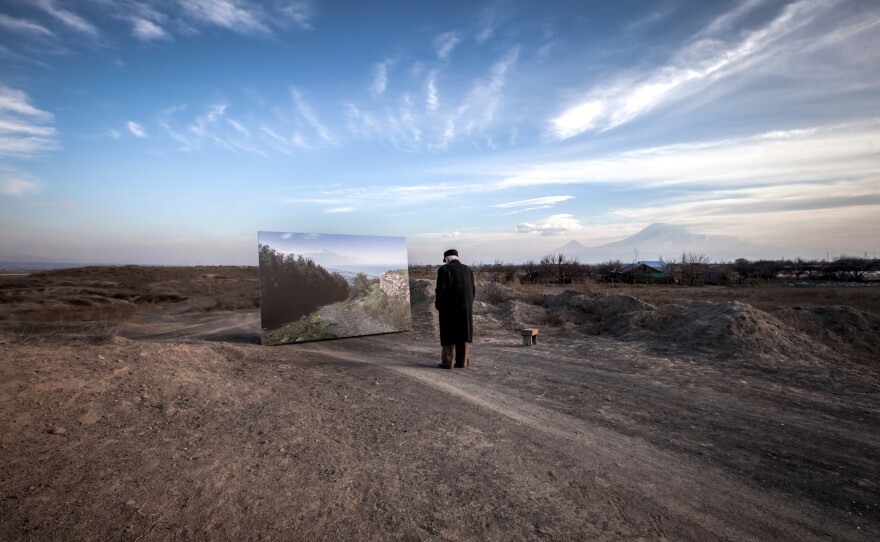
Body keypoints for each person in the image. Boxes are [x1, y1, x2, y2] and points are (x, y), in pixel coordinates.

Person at [434, 249, 476, 369]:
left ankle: (448, 362)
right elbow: (473, 290)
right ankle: (462, 362)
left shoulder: (444, 269)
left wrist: (439, 305)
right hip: (466, 307)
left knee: (449, 333)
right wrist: (468, 304)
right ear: (457, 257)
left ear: (447, 259)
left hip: (449, 308)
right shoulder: (468, 269)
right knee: (463, 333)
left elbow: (441, 290)